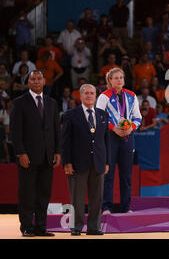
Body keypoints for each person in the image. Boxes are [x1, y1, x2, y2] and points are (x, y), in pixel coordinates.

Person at [10, 70, 61, 237]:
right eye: (33, 79)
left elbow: (56, 130)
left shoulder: (52, 102)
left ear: (45, 81)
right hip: (28, 157)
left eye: (39, 79)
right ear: (28, 82)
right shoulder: (19, 102)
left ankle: (41, 227)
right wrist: (20, 153)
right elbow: (15, 132)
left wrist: (58, 152)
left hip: (48, 157)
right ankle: (26, 227)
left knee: (44, 194)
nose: (37, 81)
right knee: (27, 194)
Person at [61, 84, 110, 236]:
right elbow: (65, 141)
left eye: (92, 93)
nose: (89, 96)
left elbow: (106, 140)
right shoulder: (70, 114)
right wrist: (67, 162)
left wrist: (107, 161)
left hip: (99, 161)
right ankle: (76, 227)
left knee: (97, 198)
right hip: (77, 163)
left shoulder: (103, 115)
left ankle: (94, 227)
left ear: (96, 96)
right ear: (80, 96)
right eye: (86, 93)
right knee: (77, 197)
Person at [96, 68, 142, 214]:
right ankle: (107, 207)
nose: (119, 80)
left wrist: (131, 128)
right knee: (108, 173)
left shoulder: (131, 95)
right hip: (110, 137)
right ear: (110, 80)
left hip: (128, 137)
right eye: (116, 78)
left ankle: (126, 207)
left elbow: (138, 117)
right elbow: (98, 117)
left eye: (121, 77)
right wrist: (113, 128)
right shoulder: (104, 96)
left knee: (126, 174)